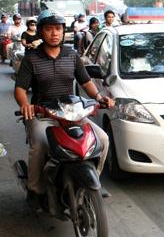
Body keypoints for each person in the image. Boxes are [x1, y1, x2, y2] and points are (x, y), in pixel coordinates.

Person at [14, 10, 114, 207]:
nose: (54, 33)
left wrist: (99, 97)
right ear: (41, 32)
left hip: (71, 112)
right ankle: (35, 189)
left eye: (58, 29)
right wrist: (25, 105)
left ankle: (93, 180)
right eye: (49, 29)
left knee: (102, 139)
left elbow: (86, 82)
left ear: (63, 31)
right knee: (41, 144)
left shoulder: (72, 55)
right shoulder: (31, 59)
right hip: (43, 113)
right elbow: (20, 89)